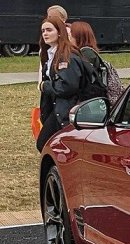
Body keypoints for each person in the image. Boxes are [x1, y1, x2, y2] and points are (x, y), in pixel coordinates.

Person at [36, 16, 87, 151]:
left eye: (49, 30)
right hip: (56, 107)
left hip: (68, 109)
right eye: (43, 31)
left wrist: (44, 86)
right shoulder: (50, 54)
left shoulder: (67, 55)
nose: (45, 34)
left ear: (59, 32)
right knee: (52, 145)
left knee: (44, 144)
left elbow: (67, 86)